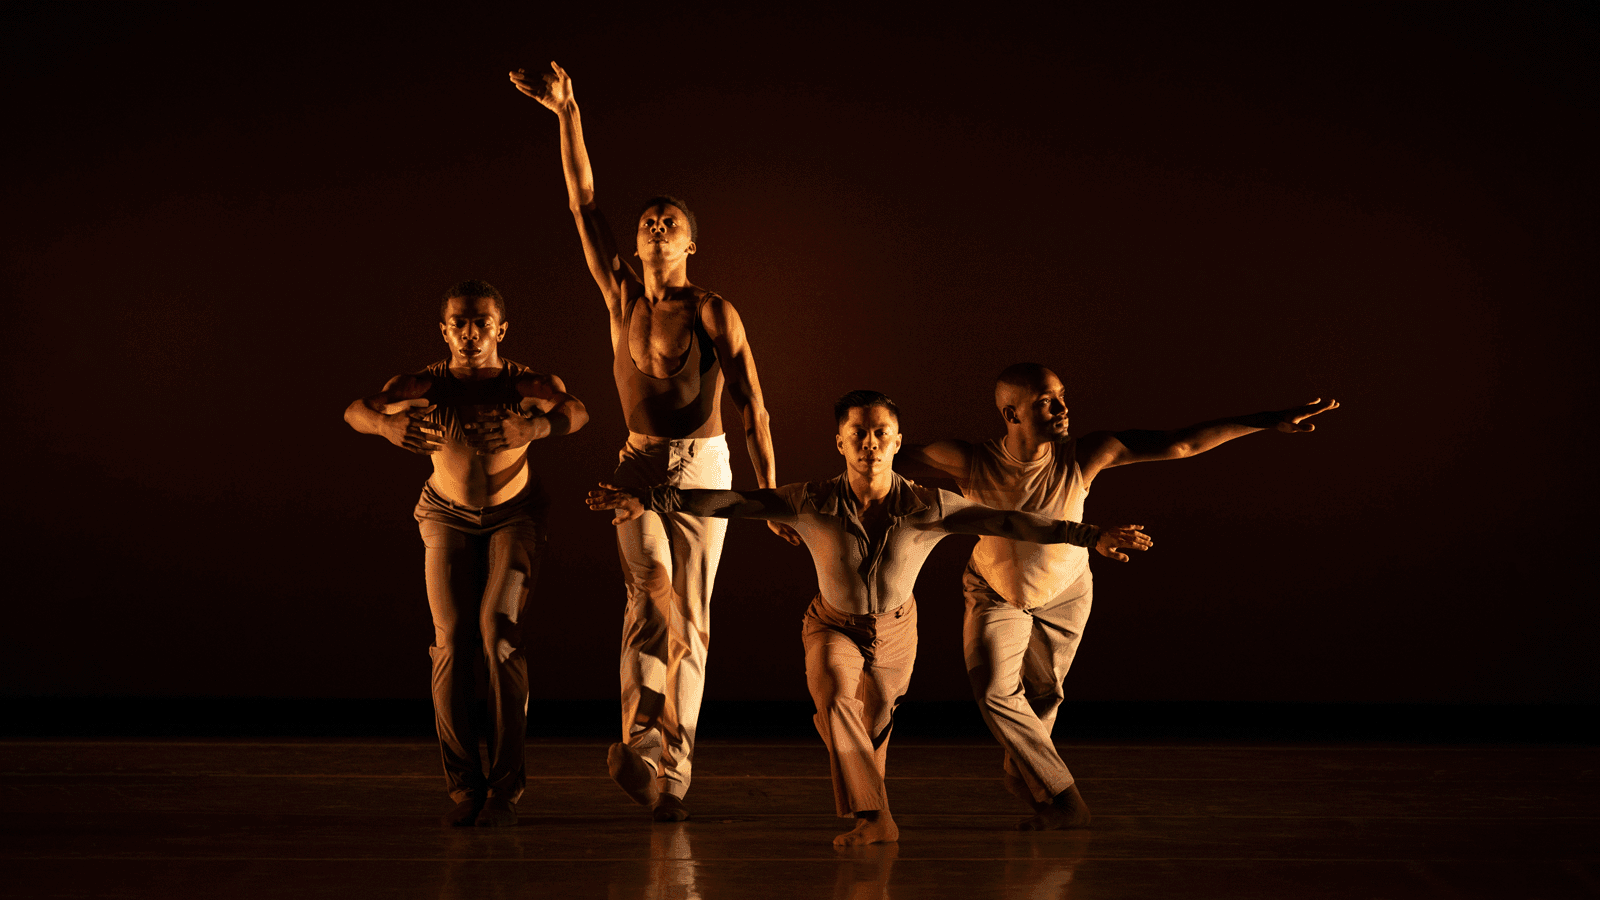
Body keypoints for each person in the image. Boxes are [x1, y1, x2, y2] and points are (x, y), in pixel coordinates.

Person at [587, 391, 1152, 846]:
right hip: (832, 626)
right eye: (858, 433)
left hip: (897, 632)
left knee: (871, 732)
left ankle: (871, 805)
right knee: (835, 698)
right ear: (840, 442)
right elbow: (734, 503)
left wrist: (1089, 535)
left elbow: (1008, 521)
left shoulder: (928, 506)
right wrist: (653, 501)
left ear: (898, 442)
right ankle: (875, 818)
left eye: (881, 433)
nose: (870, 443)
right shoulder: (812, 500)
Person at [511, 61, 790, 822]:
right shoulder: (621, 295)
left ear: (693, 243)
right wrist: (567, 112)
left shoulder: (713, 310)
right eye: (649, 222)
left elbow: (754, 404)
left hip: (704, 469)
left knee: (691, 619)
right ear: (635, 244)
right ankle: (640, 743)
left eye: (670, 221)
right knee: (649, 594)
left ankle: (674, 771)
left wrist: (767, 492)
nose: (656, 226)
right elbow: (584, 201)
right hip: (636, 463)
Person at [899, 363, 1337, 830]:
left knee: (1045, 694)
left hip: (1065, 590)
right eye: (1046, 402)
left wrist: (1268, 420)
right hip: (994, 589)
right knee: (993, 691)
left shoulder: (1084, 455)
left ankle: (1025, 772)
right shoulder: (969, 460)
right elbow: (885, 458)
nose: (1062, 408)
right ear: (1012, 414)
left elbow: (1181, 443)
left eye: (1061, 395)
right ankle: (1065, 799)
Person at [343, 280, 588, 827]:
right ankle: (463, 786)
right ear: (444, 330)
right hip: (445, 516)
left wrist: (536, 426)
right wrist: (384, 425)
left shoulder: (524, 382)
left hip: (515, 516)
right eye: (459, 323)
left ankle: (504, 787)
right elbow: (355, 410)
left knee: (498, 635)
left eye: (482, 323)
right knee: (452, 642)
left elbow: (577, 411)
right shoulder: (423, 383)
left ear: (501, 330)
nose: (470, 334)